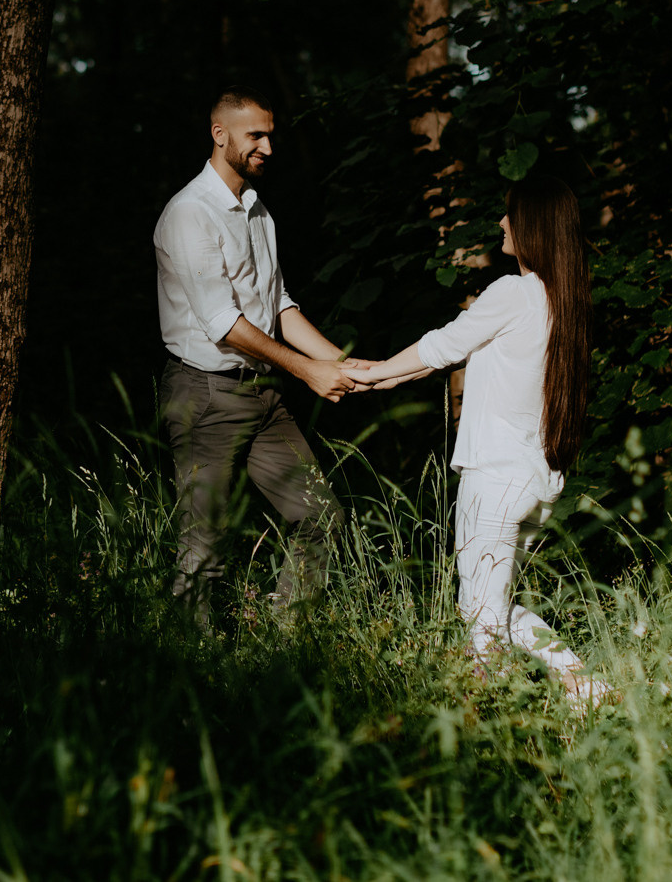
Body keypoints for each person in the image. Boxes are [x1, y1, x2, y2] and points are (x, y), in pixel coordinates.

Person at [348, 174, 610, 705]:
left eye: (509, 214)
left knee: (480, 618)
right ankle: (582, 684)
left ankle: (482, 727)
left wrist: (373, 373)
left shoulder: (513, 292)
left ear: (532, 225)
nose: (501, 223)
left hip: (494, 478)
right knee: (494, 603)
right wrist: (388, 375)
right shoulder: (563, 302)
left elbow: (442, 346)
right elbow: (447, 355)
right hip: (538, 480)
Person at [154, 85, 363, 622]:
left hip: (262, 393)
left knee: (321, 517)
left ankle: (284, 633)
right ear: (219, 134)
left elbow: (277, 305)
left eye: (271, 135)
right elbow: (224, 323)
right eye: (256, 136)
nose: (268, 147)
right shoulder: (190, 214)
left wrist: (338, 362)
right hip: (206, 393)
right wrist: (308, 372)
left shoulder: (257, 210)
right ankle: (194, 665)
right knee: (204, 545)